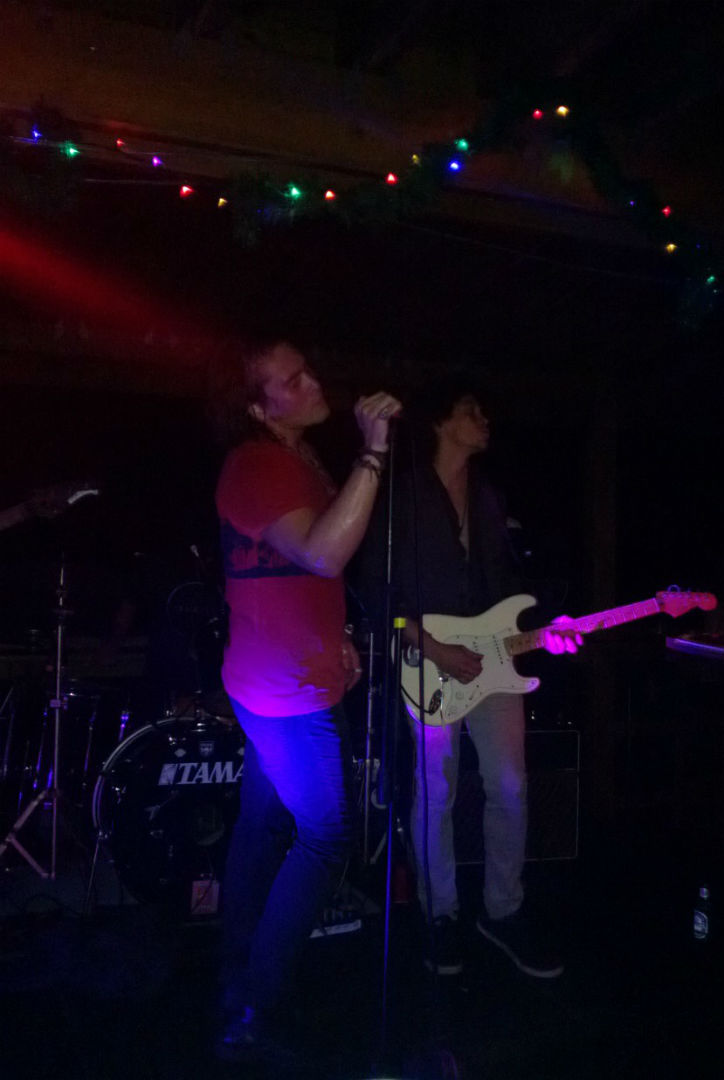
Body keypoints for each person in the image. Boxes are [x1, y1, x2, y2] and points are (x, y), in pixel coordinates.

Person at [214, 339, 401, 1065]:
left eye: (307, 370)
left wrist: (341, 634)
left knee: (263, 826)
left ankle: (237, 980)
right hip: (285, 692)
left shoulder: (295, 463)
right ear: (261, 409)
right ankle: (256, 1004)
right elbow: (324, 553)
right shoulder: (257, 464)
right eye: (292, 381)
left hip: (284, 677)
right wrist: (374, 452)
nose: (313, 381)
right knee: (325, 836)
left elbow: (300, 572)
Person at [360, 377, 580, 979]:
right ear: (440, 422)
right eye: (470, 410)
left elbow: (507, 589)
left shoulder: (489, 497)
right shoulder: (402, 496)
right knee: (437, 793)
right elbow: (378, 593)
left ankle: (503, 910)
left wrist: (547, 626)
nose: (484, 420)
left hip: (494, 664)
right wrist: (432, 646)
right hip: (427, 662)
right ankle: (441, 914)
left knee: (510, 786)